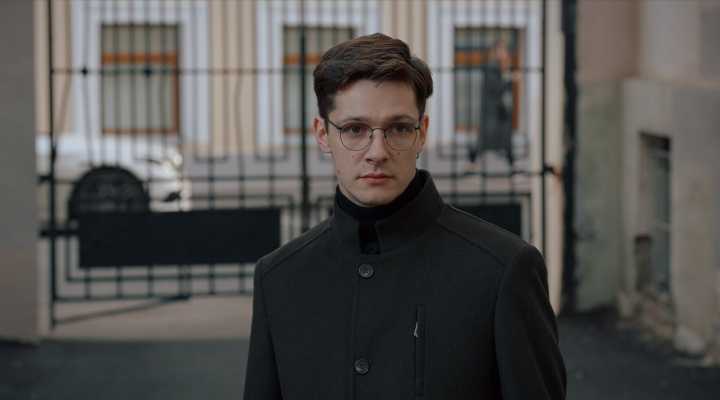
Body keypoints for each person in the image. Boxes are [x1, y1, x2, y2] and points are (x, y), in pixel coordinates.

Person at [243, 33, 566, 400]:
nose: (377, 152)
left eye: (398, 128)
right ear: (322, 134)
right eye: (354, 129)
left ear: (421, 133)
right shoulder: (278, 279)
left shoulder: (504, 270)